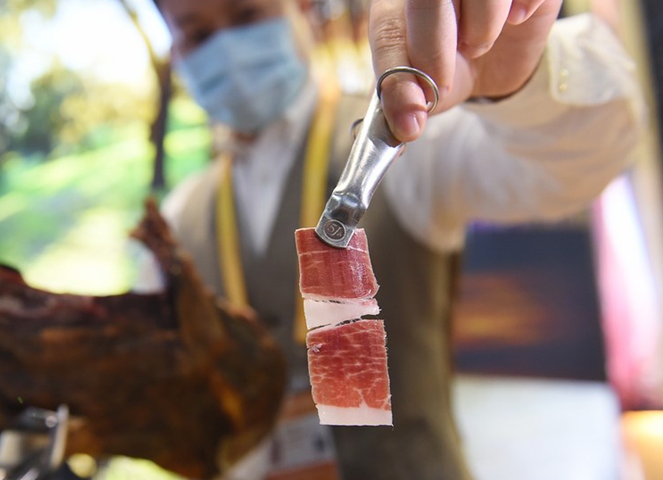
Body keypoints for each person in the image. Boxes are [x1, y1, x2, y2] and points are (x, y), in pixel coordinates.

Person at [148, 0, 645, 478]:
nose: (228, 47)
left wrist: (515, 87)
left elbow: (570, 169)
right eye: (198, 34)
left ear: (299, 7)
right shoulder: (175, 223)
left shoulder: (406, 129)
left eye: (247, 14)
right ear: (176, 49)